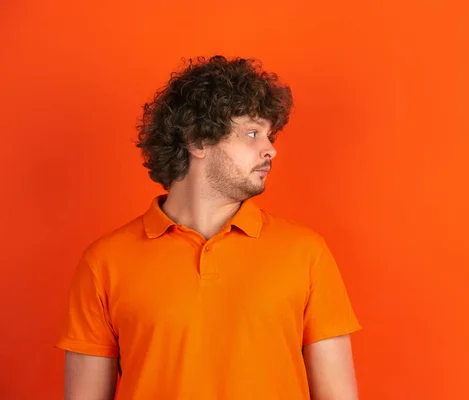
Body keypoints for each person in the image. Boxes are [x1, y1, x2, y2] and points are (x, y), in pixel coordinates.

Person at [56, 55, 362, 400]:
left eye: (269, 135)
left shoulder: (307, 253)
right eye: (252, 133)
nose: (271, 149)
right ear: (198, 141)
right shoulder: (104, 263)